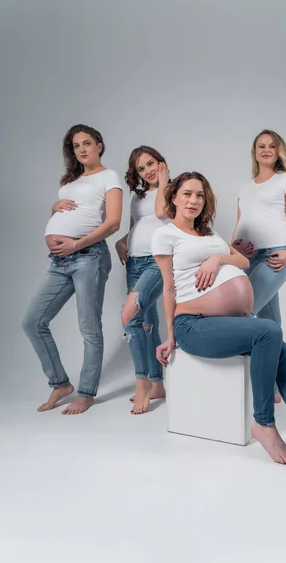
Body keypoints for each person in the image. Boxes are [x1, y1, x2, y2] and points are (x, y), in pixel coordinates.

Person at [151, 171, 286, 486]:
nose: (193, 200)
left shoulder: (210, 235)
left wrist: (218, 257)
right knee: (268, 330)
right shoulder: (166, 235)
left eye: (200, 195)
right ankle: (263, 424)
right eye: (187, 193)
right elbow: (169, 289)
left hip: (223, 323)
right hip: (193, 326)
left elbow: (241, 262)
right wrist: (171, 336)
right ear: (174, 197)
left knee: (281, 347)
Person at [22, 124, 123, 415]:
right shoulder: (70, 180)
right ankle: (61, 384)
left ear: (99, 145)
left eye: (87, 143)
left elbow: (113, 222)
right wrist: (54, 207)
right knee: (32, 322)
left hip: (88, 257)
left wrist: (76, 245)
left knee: (89, 328)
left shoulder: (109, 176)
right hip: (59, 261)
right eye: (76, 145)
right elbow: (69, 216)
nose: (82, 149)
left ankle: (87, 393)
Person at [232, 129, 286, 402]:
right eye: (260, 146)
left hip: (276, 256)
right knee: (271, 323)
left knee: (242, 312)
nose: (265, 150)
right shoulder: (245, 188)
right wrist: (235, 250)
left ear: (278, 151)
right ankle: (275, 388)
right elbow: (239, 227)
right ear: (254, 152)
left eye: (271, 146)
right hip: (247, 259)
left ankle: (251, 382)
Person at [116, 146, 170, 414]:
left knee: (130, 318)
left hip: (157, 261)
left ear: (161, 163)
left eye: (152, 163)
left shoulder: (172, 189)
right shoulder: (137, 196)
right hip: (134, 262)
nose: (147, 170)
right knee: (147, 323)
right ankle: (158, 382)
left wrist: (163, 181)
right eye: (141, 168)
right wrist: (122, 241)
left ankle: (142, 384)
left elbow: (161, 214)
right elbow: (135, 225)